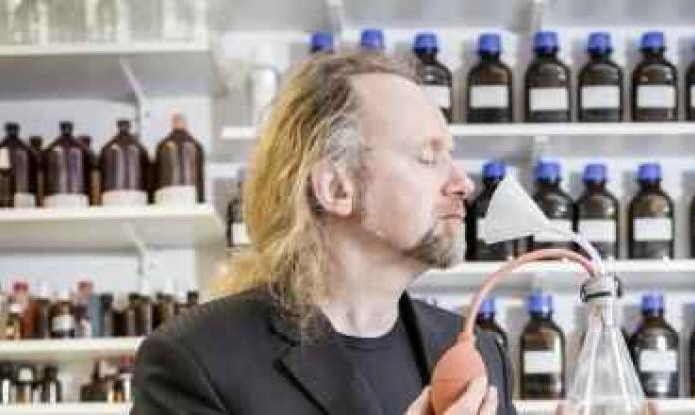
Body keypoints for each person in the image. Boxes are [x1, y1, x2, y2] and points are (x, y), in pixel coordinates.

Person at [132, 51, 516, 414]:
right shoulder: (195, 359)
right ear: (335, 188)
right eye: (428, 157)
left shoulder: (480, 354)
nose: (464, 183)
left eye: (450, 155)